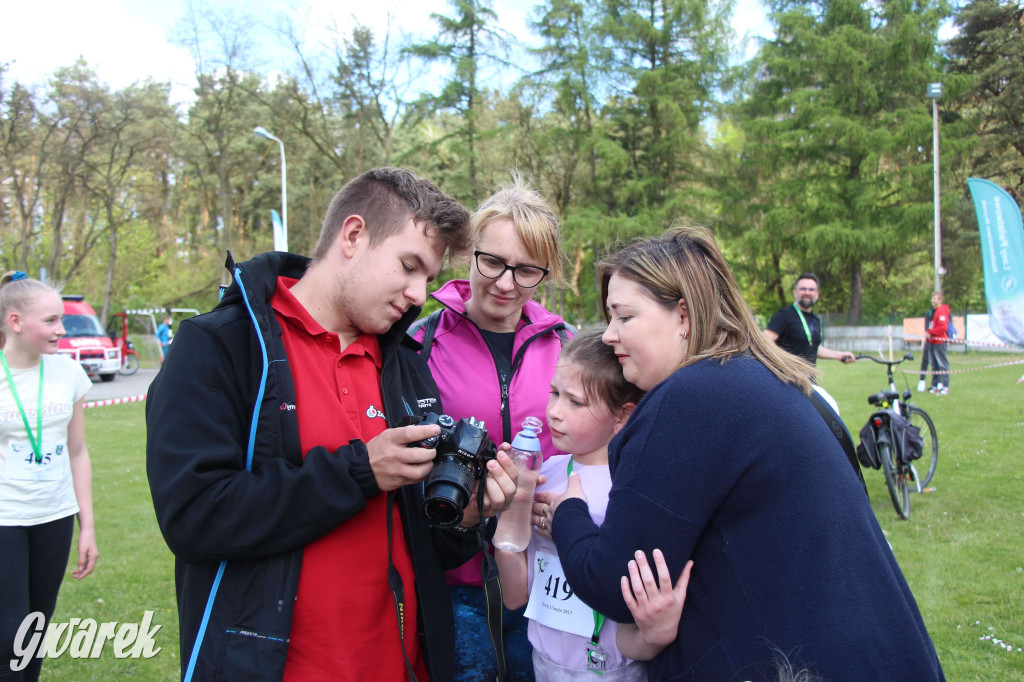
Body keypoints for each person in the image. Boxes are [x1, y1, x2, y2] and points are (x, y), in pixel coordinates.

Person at [145, 167, 519, 682]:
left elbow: (418, 538)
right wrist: (358, 472)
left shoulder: (404, 364)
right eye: (409, 266)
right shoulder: (222, 345)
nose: (418, 294)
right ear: (353, 235)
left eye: (427, 279)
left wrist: (465, 518)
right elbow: (193, 517)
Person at [542, 226, 945, 681]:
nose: (610, 336)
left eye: (624, 317)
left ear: (684, 315)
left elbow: (617, 583)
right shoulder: (763, 379)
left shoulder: (688, 398)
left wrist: (566, 512)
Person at [410, 174, 573, 681]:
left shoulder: (566, 346)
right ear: (470, 253)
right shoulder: (422, 340)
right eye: (494, 262)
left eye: (526, 271)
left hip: (545, 578)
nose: (505, 283)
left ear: (543, 274)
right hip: (453, 577)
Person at [495, 327, 643, 680]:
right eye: (554, 393)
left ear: (622, 416)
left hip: (614, 669)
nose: (555, 412)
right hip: (544, 664)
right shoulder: (545, 472)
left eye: (575, 402)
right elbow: (516, 596)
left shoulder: (632, 490)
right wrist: (507, 512)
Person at [0, 272, 98, 682]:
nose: (62, 330)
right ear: (15, 322)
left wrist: (87, 526)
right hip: (5, 520)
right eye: (52, 321)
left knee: (36, 631)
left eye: (62, 320)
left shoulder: (68, 373)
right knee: (10, 636)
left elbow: (77, 451)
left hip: (54, 517)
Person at [764, 273, 856, 365]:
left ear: (817, 294)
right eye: (803, 289)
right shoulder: (784, 315)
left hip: (809, 378)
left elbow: (813, 347)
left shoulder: (815, 319)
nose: (807, 293)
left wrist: (839, 355)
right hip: (786, 377)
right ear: (795, 292)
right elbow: (765, 342)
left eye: (811, 289)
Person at [922, 291, 951, 395]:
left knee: (943, 364)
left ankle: (945, 386)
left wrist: (930, 332)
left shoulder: (942, 311)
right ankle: (935, 386)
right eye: (932, 299)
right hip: (932, 341)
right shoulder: (936, 311)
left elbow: (943, 327)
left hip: (940, 341)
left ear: (940, 300)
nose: (932, 301)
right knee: (934, 365)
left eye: (935, 299)